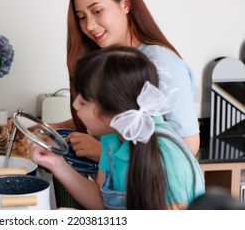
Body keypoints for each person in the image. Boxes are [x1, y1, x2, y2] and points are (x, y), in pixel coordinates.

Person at [49, 0, 200, 160]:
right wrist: (51, 128)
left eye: (97, 11)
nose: (90, 26)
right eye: (82, 17)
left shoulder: (161, 62)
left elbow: (187, 147)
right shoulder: (112, 62)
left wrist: (104, 153)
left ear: (125, 4)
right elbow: (110, 121)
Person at [25, 45, 205, 210]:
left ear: (111, 110)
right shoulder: (112, 137)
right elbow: (103, 203)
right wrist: (57, 164)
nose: (76, 105)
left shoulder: (167, 158)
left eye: (84, 100)